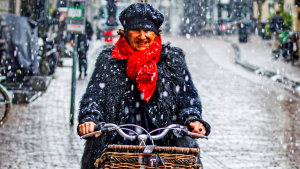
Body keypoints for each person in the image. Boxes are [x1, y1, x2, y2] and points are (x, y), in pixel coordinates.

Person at [77, 2, 211, 169]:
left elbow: (187, 97)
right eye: (136, 30)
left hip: (164, 146)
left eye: (148, 31)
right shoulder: (109, 60)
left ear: (156, 34)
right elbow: (94, 97)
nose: (142, 36)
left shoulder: (173, 61)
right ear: (125, 33)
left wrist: (193, 119)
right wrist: (89, 118)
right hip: (117, 145)